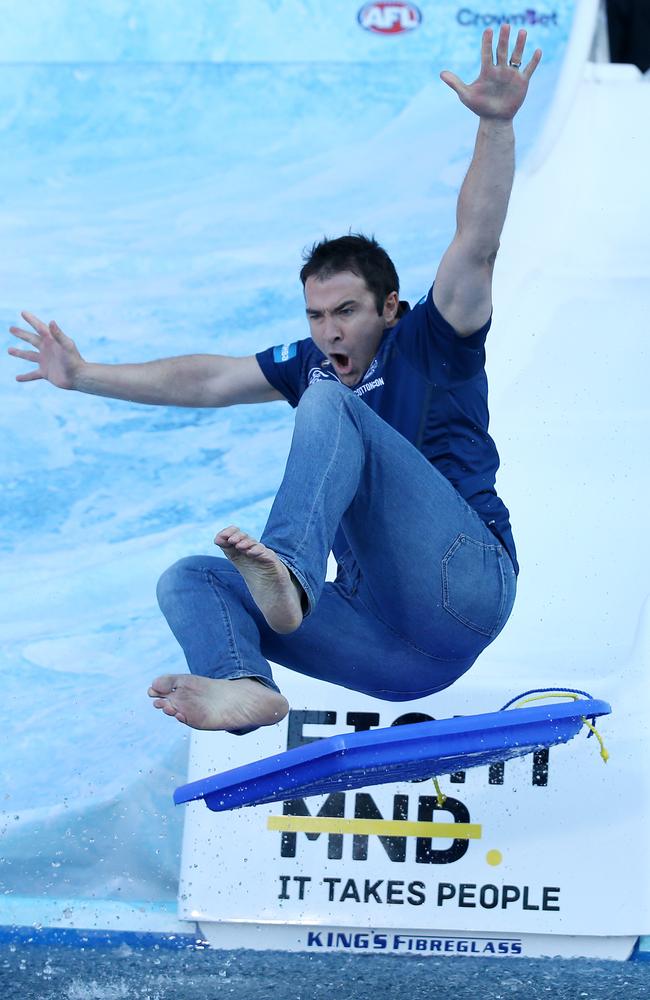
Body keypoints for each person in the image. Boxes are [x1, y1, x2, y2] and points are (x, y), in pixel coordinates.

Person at [8, 26, 541, 736]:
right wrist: (81, 374)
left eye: (347, 311)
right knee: (190, 578)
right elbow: (205, 381)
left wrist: (495, 126)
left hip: (466, 586)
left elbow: (478, 243)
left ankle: (288, 572)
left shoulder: (434, 337)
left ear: (388, 306)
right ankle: (244, 683)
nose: (330, 332)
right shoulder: (311, 360)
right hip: (396, 657)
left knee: (328, 399)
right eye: (317, 315)